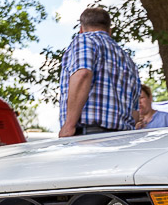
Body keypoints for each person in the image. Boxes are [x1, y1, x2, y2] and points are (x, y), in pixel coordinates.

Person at [59, 7, 140, 137]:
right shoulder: (129, 60)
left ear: (81, 29)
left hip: (90, 136)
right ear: (109, 31)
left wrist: (68, 126)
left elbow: (83, 74)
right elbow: (135, 112)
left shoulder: (85, 40)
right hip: (124, 138)